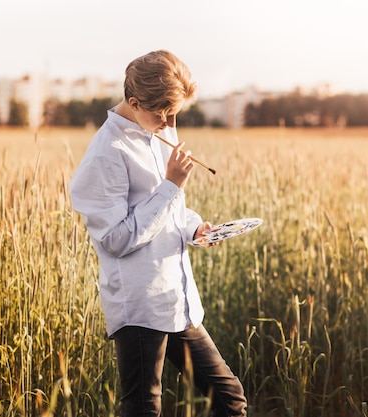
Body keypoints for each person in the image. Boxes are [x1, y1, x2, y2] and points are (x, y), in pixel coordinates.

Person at [69, 50, 247, 417]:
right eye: (162, 114)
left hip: (175, 298)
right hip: (139, 304)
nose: (169, 121)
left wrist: (193, 227)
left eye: (175, 113)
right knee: (144, 409)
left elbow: (169, 210)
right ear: (134, 103)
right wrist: (171, 184)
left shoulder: (158, 129)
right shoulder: (106, 154)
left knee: (229, 399)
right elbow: (116, 239)